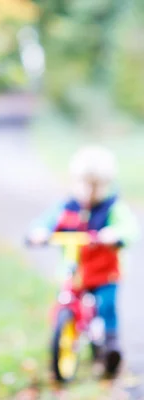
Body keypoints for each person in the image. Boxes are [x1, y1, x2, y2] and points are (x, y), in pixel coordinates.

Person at [27, 144, 139, 378]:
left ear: (106, 185)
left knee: (105, 306)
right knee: (65, 300)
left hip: (104, 272)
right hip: (75, 270)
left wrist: (114, 234)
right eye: (84, 184)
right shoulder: (68, 207)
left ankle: (110, 347)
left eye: (95, 186)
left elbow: (129, 228)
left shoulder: (112, 208)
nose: (88, 191)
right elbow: (47, 221)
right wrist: (39, 232)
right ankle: (67, 336)